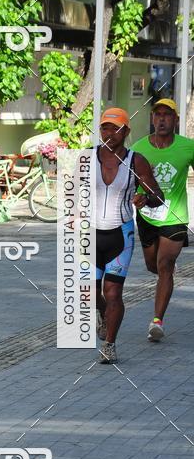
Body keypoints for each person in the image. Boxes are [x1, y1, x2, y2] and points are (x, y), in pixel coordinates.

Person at [95, 108, 163, 364]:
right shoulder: (87, 158)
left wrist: (145, 198)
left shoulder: (137, 161)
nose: (109, 134)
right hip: (90, 235)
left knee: (113, 293)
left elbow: (158, 196)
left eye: (115, 129)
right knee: (89, 292)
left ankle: (110, 345)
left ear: (126, 131)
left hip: (120, 234)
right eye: (104, 128)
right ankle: (102, 314)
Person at [131, 98, 194, 341]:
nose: (162, 119)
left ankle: (157, 321)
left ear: (176, 120)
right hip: (146, 216)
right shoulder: (138, 148)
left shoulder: (187, 147)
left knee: (164, 264)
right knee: (153, 265)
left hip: (174, 216)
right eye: (157, 115)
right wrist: (135, 196)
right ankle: (165, 272)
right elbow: (129, 181)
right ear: (152, 119)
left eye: (167, 115)